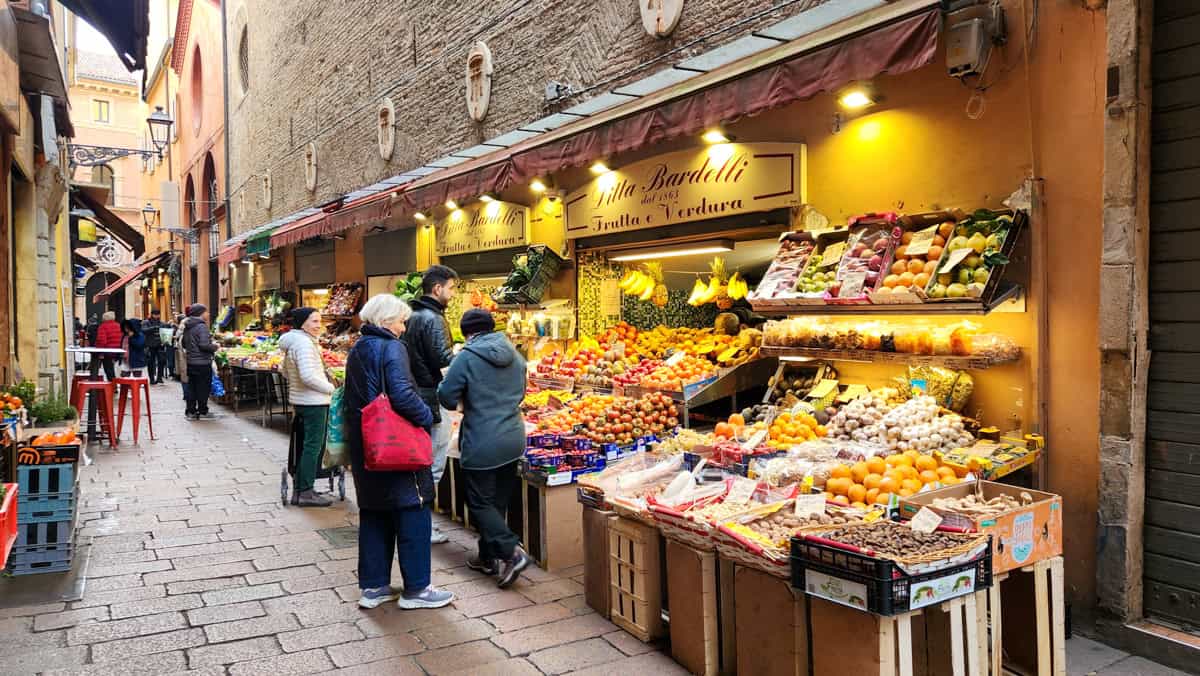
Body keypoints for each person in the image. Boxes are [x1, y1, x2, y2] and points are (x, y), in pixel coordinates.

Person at [343, 294, 453, 611]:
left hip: (368, 444)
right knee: (413, 511)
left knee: (375, 513)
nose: (404, 328)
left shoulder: (360, 347)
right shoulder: (391, 347)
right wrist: (426, 416)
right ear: (386, 321)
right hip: (395, 444)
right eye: (401, 321)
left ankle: (374, 587)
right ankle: (417, 588)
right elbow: (403, 395)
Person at [437, 309, 533, 588]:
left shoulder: (466, 356)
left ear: (467, 332)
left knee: (479, 501)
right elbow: (523, 392)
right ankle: (488, 558)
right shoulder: (515, 353)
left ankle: (511, 552)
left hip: (483, 438)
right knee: (496, 502)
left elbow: (445, 396)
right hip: (514, 436)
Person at [404, 264, 458, 544]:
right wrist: (461, 355)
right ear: (437, 289)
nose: (453, 294)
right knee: (432, 465)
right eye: (451, 288)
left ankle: (415, 521)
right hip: (433, 398)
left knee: (421, 464)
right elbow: (442, 359)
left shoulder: (412, 315)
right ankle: (423, 527)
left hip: (418, 396)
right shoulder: (433, 319)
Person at [279, 307, 335, 507]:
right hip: (314, 402)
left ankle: (302, 489)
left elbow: (283, 370)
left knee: (306, 445)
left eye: (320, 321)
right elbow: (308, 376)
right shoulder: (303, 344)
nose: (318, 325)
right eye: (314, 321)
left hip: (301, 400)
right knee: (313, 446)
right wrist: (330, 389)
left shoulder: (295, 342)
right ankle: (305, 491)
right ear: (303, 323)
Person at [180, 304, 218, 419]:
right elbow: (204, 345)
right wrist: (214, 346)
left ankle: (191, 411)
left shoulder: (188, 325)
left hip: (191, 362)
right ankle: (202, 410)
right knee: (203, 388)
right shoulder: (201, 326)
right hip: (202, 362)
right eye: (206, 312)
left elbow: (183, 344)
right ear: (200, 313)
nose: (208, 314)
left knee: (192, 387)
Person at [93, 311, 123, 380]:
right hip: (118, 351)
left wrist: (100, 352)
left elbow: (102, 341)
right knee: (114, 369)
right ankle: (115, 385)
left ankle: (112, 387)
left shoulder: (103, 326)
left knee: (108, 370)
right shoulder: (118, 325)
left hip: (107, 351)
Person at [142, 309, 165, 384]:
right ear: (152, 314)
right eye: (155, 314)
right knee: (150, 362)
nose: (157, 316)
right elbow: (143, 330)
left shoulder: (161, 323)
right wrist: (153, 328)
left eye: (158, 314)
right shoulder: (146, 322)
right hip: (150, 345)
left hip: (160, 345)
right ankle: (151, 378)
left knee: (161, 361)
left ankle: (159, 377)